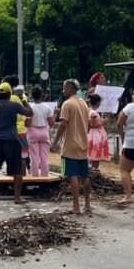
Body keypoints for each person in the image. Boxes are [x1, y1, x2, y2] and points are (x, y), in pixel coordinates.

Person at [0, 82, 33, 207]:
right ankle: (17, 197)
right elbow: (30, 113)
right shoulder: (14, 106)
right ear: (9, 94)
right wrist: (22, 100)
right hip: (12, 140)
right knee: (17, 170)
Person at [53, 79, 92, 214]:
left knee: (72, 175)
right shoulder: (83, 103)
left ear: (70, 89)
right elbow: (89, 124)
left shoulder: (67, 104)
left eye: (64, 88)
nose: (63, 91)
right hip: (83, 144)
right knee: (85, 175)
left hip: (70, 144)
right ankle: (87, 204)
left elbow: (63, 124)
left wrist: (55, 141)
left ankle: (76, 206)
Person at [26, 87, 54, 177]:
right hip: (44, 132)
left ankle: (35, 176)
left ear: (32, 96)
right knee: (44, 157)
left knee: (34, 156)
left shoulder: (30, 107)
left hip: (33, 131)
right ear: (42, 95)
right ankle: (45, 176)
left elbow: (27, 124)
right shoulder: (47, 107)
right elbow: (51, 123)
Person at [86, 94, 110, 171]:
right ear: (98, 103)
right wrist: (103, 122)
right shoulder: (93, 113)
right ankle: (94, 169)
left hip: (94, 133)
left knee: (94, 152)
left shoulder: (90, 110)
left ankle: (93, 168)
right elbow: (92, 124)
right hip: (95, 134)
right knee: (95, 153)